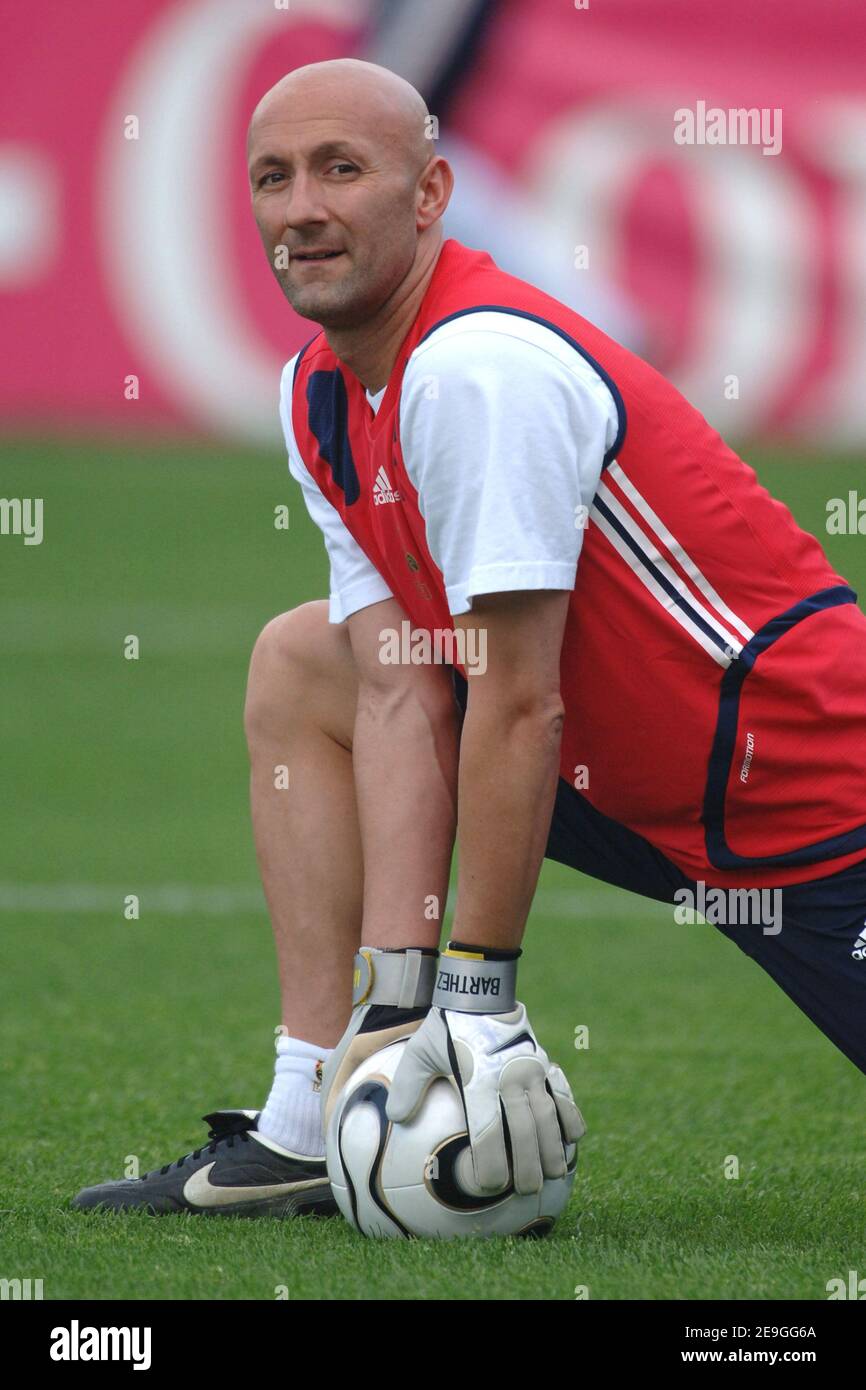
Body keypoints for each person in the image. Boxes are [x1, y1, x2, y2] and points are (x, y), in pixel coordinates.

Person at [74, 58, 866, 1217]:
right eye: (273, 178)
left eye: (341, 170)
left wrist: (481, 994)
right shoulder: (318, 391)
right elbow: (400, 692)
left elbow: (515, 701)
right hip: (646, 801)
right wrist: (401, 1020)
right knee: (310, 661)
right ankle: (302, 1118)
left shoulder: (476, 370)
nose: (301, 208)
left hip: (816, 812)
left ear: (432, 194)